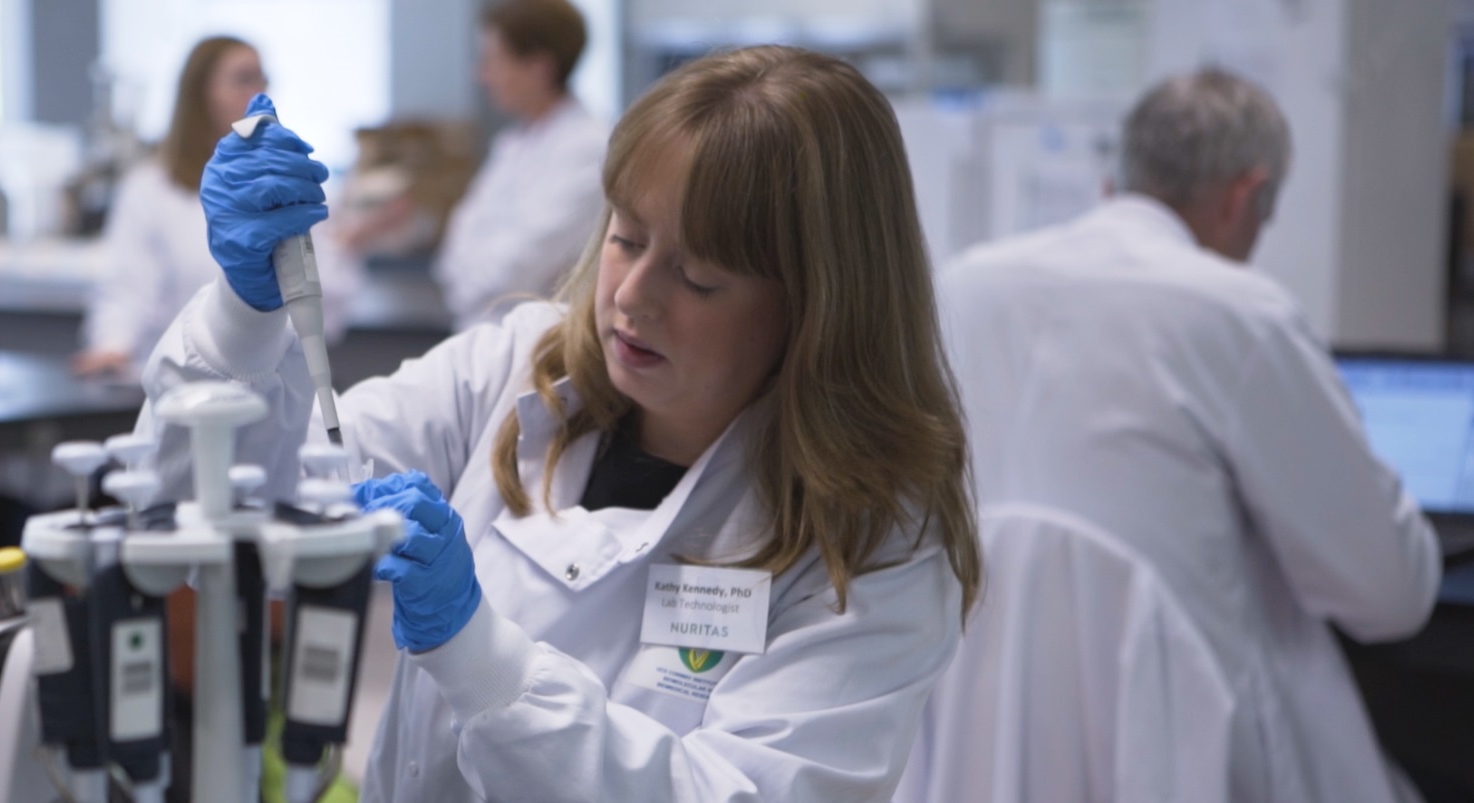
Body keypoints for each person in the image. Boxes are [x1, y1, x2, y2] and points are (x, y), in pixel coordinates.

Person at [136, 46, 981, 801]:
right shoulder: (514, 368)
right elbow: (210, 514)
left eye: (697, 276)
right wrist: (244, 315)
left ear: (816, 307)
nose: (630, 296)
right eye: (626, 237)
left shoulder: (876, 540)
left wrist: (480, 657)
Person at [938, 69, 1439, 802]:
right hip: (1186, 755)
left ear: (1118, 180)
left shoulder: (963, 285)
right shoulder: (1239, 313)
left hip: (978, 744)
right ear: (1245, 195)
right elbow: (1387, 592)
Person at [75, 36, 267, 376]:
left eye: (262, 79)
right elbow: (127, 287)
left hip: (266, 380)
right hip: (174, 380)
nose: (259, 95)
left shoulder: (278, 184)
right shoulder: (151, 188)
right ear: (200, 92)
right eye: (243, 79)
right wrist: (111, 348)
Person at [432, 0, 609, 331]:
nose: (482, 75)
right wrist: (465, 282)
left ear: (538, 67)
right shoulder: (513, 143)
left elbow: (519, 264)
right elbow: (458, 241)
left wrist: (466, 284)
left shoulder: (588, 149)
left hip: (535, 343)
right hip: (481, 333)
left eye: (493, 60)